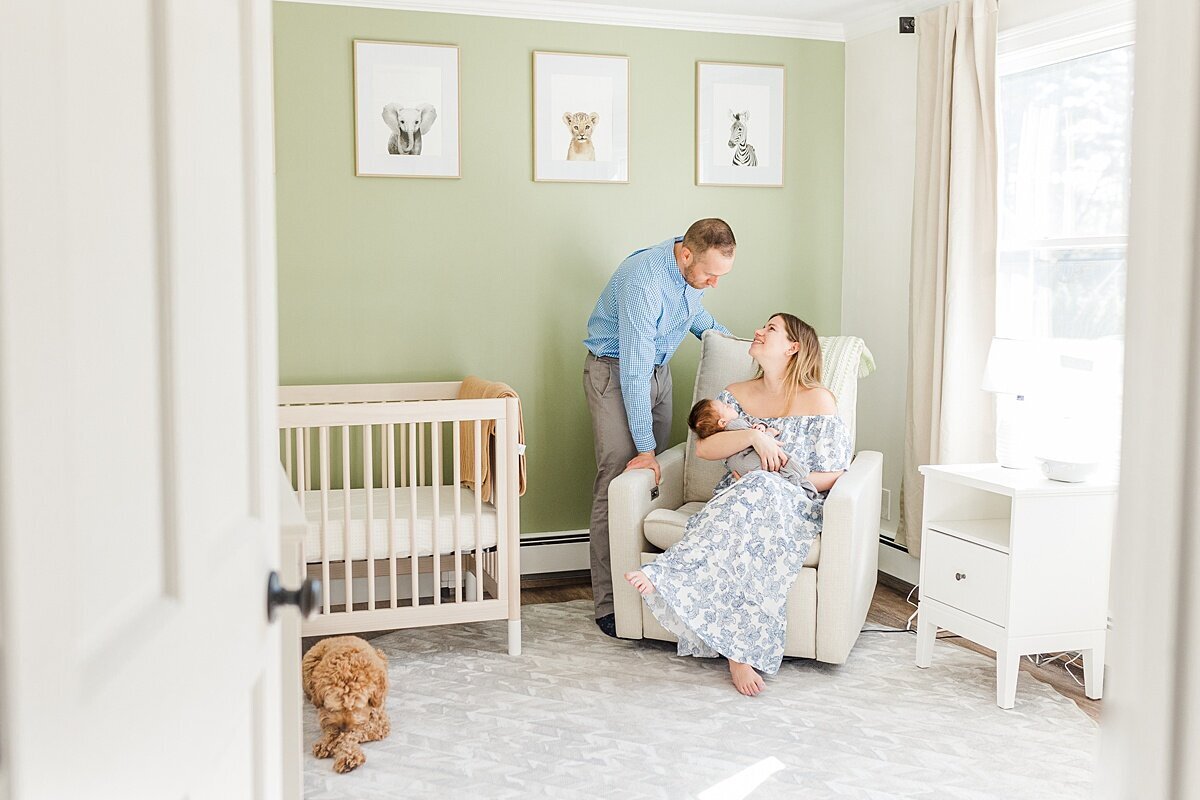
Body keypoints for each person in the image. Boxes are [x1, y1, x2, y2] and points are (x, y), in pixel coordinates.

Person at [624, 314, 852, 696]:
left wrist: (782, 478)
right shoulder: (734, 394)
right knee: (752, 498)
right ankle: (737, 650)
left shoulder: (819, 399)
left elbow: (834, 473)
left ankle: (671, 576)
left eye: (771, 329)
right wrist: (753, 436)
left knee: (762, 485)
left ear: (793, 347)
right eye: (762, 325)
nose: (759, 331)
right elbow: (706, 446)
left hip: (794, 502)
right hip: (739, 498)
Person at [583, 218, 736, 637]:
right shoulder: (644, 281)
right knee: (619, 480)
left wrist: (735, 345)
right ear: (686, 254)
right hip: (616, 374)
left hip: (656, 373)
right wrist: (645, 447)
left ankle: (648, 589)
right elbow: (632, 371)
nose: (713, 283)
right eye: (709, 274)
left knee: (653, 483)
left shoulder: (688, 274)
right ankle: (608, 603)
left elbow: (694, 314)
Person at [687, 398, 820, 500]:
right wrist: (769, 433)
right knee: (783, 464)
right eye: (726, 406)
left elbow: (752, 427)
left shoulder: (725, 429)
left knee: (776, 473)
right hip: (749, 463)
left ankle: (789, 481)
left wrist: (759, 427)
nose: (731, 405)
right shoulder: (734, 424)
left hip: (743, 471)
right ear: (722, 423)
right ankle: (794, 479)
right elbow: (759, 439)